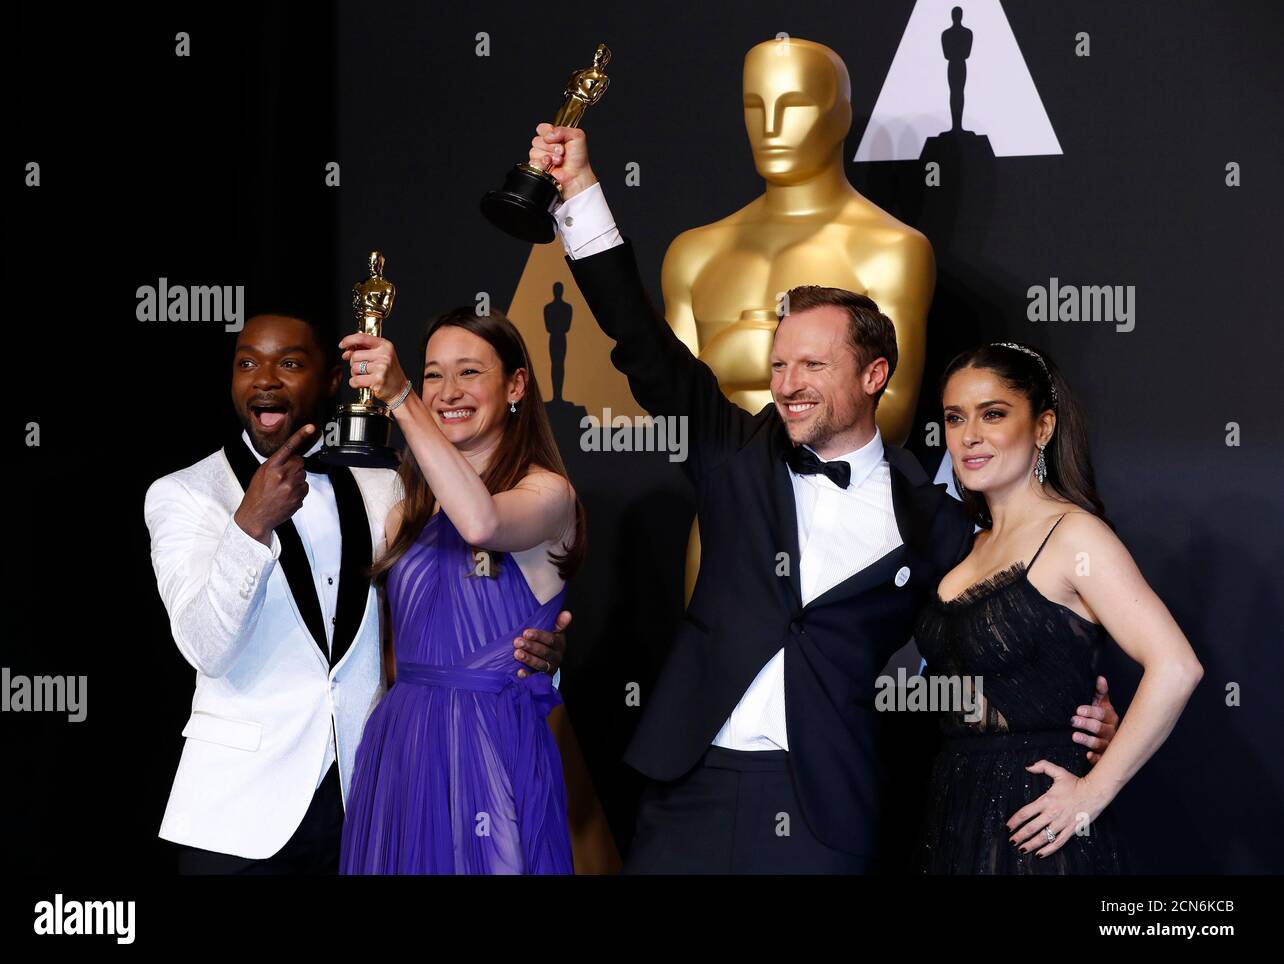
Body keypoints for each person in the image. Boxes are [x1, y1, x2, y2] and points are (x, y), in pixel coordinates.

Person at [527, 123, 1118, 873]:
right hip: (690, 785)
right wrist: (577, 191)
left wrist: (1092, 714)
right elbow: (638, 337)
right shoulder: (731, 452)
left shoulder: (935, 518)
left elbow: (1006, 635)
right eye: (779, 364)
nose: (786, 384)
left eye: (812, 364)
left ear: (874, 375)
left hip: (825, 802)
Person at [144, 311, 569, 874]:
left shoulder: (392, 487)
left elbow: (444, 613)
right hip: (241, 812)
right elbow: (205, 647)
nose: (265, 379)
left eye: (290, 363)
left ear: (332, 382)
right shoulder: (185, 494)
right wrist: (250, 526)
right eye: (247, 363)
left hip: (369, 794)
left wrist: (536, 660)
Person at [914, 342, 1203, 873]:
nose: (969, 436)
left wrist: (1091, 794)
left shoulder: (1074, 536)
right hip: (953, 810)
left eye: (993, 414)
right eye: (955, 418)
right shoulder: (964, 545)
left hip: (1039, 824)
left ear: (1043, 427)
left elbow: (1177, 666)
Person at [337, 305, 583, 874]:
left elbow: (482, 523)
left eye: (470, 372)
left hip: (492, 747)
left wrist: (402, 400)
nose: (448, 392)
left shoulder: (548, 494)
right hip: (401, 745)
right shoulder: (406, 512)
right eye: (432, 374)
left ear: (516, 384)